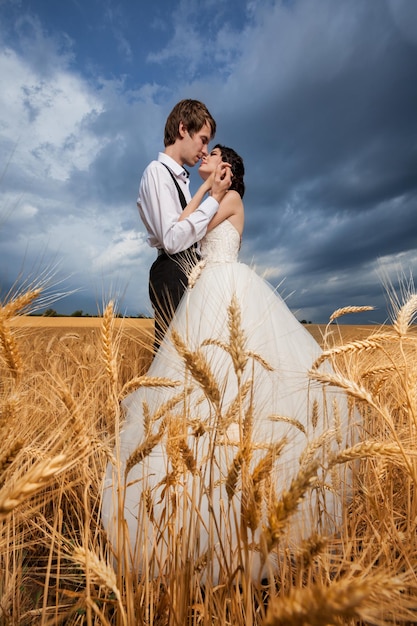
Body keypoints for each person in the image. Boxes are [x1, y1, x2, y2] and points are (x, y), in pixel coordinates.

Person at [102, 145, 350, 581]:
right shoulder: (217, 195)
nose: (206, 154)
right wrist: (203, 192)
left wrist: (205, 194)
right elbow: (180, 231)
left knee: (233, 384)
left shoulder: (230, 198)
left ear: (227, 169)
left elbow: (184, 233)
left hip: (223, 288)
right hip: (205, 288)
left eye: (213, 153)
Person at [137, 99, 232, 348]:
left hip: (189, 273)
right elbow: (171, 240)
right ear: (182, 129)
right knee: (172, 364)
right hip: (172, 274)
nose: (204, 150)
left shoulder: (182, 182)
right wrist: (215, 200)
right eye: (203, 139)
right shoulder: (156, 172)